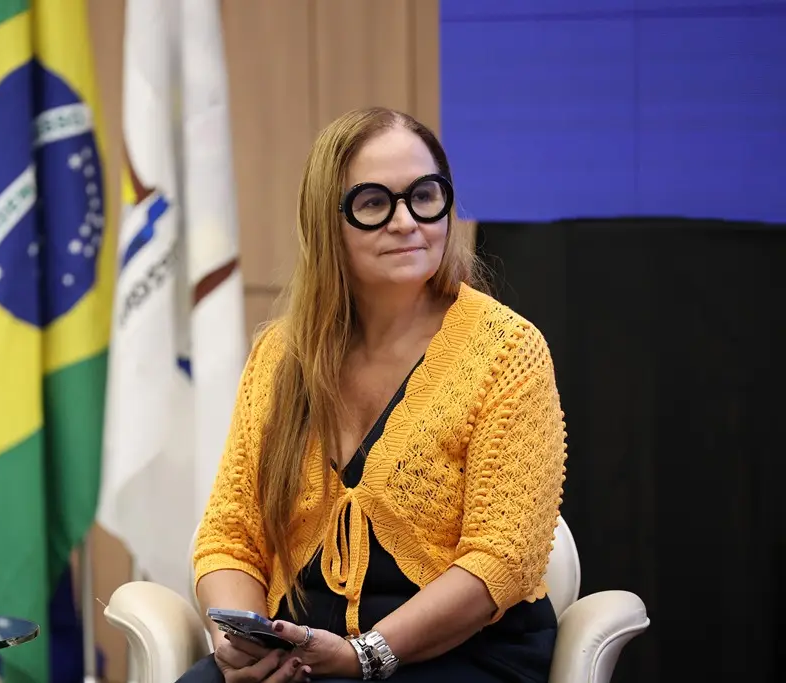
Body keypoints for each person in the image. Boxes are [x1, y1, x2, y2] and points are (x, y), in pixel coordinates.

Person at [182, 107, 568, 683]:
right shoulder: (280, 355)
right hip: (302, 652)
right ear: (326, 222)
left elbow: (502, 559)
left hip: (462, 654)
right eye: (373, 203)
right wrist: (241, 644)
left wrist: (363, 655)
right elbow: (230, 538)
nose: (407, 222)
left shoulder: (508, 352)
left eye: (424, 196)